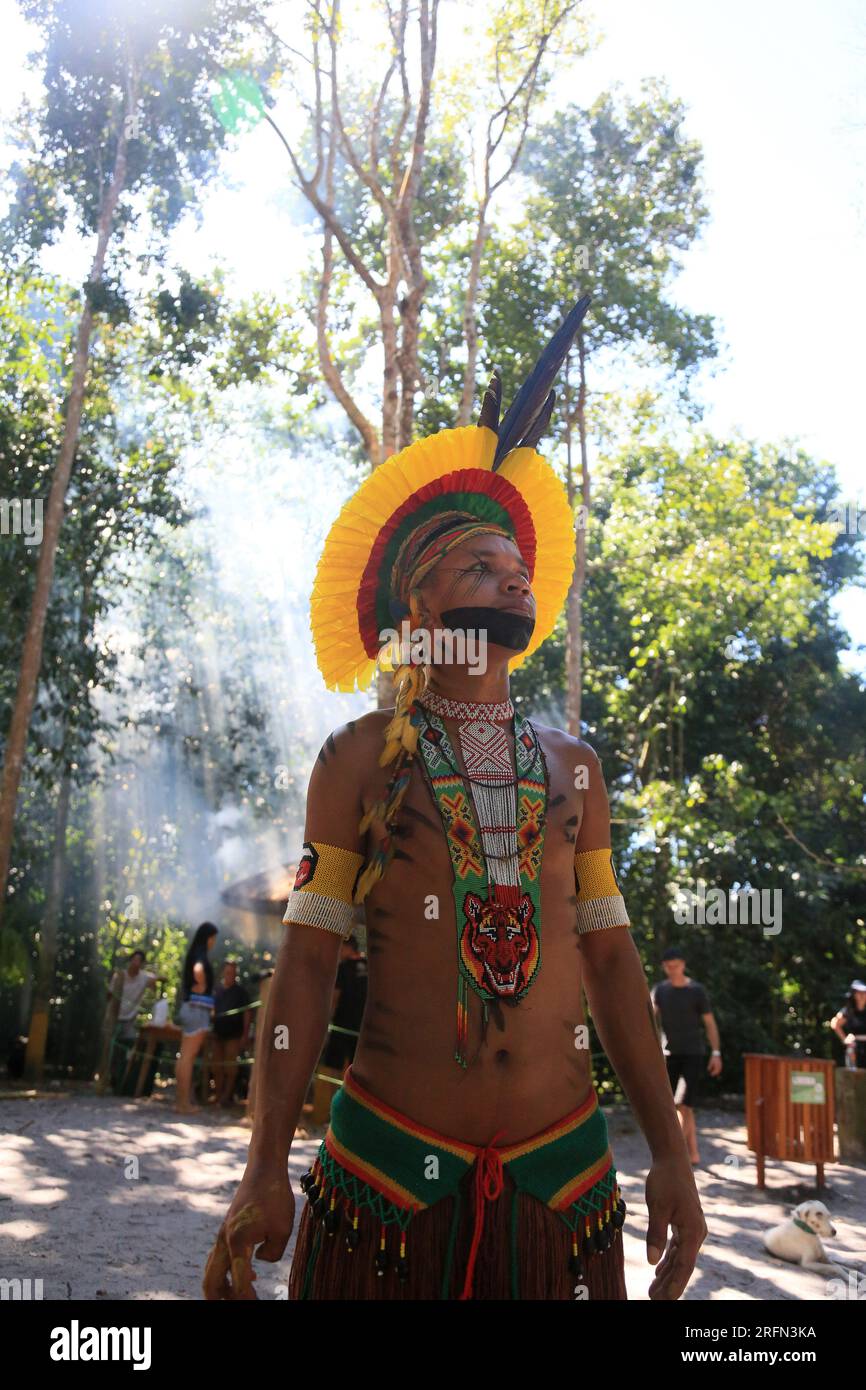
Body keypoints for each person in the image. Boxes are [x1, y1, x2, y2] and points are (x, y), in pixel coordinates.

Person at [203, 297, 706, 1302]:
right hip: (389, 1177)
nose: (512, 581)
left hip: (563, 1180)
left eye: (518, 568)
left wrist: (673, 1158)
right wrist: (263, 1166)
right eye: (480, 564)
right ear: (419, 604)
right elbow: (304, 964)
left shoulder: (576, 767)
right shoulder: (355, 759)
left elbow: (609, 958)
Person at [650, 948, 722, 1166]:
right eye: (667, 966)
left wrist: (716, 1053)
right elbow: (648, 1020)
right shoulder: (659, 991)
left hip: (693, 1053)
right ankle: (693, 1152)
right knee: (677, 1107)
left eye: (675, 965)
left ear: (683, 964)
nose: (672, 970)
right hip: (668, 1054)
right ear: (664, 967)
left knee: (684, 1103)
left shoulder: (696, 991)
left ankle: (676, 1154)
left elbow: (710, 1023)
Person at [175, 922, 218, 1115]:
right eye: (213, 938)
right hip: (197, 1010)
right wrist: (202, 983)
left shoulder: (194, 951)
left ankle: (181, 1102)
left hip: (189, 1009)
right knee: (188, 1058)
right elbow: (198, 970)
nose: (213, 942)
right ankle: (184, 1104)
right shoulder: (200, 954)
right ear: (209, 937)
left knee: (184, 1057)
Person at [105, 951, 162, 1092]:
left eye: (139, 961)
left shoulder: (144, 977)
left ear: (142, 964)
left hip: (129, 1020)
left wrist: (156, 981)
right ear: (129, 961)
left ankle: (121, 1081)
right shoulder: (120, 976)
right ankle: (107, 1079)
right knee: (110, 1050)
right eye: (134, 960)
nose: (135, 963)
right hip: (114, 1017)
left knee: (128, 1049)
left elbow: (157, 980)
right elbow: (110, 995)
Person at [321, 935, 368, 1075]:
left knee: (332, 1067)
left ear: (347, 947)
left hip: (341, 1026)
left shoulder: (343, 968)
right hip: (362, 1029)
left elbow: (335, 997)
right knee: (357, 1071)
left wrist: (326, 1022)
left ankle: (328, 1096)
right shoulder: (371, 967)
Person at [212, 960, 251, 1106]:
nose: (231, 975)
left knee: (230, 1067)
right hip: (217, 1034)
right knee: (216, 1066)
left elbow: (247, 1013)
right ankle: (217, 1095)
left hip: (234, 1035)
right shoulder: (217, 990)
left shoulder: (241, 992)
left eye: (233, 973)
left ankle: (225, 1097)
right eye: (228, 972)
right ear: (224, 972)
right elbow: (211, 1009)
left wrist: (245, 1035)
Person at [830, 980, 866, 1069]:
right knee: (855, 1076)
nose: (862, 995)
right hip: (855, 1049)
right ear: (854, 995)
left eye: (864, 993)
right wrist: (845, 1039)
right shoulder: (849, 1010)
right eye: (859, 993)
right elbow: (835, 1023)